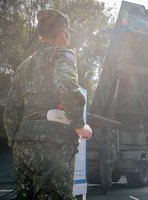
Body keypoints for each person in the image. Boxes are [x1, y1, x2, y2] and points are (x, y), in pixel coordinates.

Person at [3, 9, 93, 199]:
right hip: (54, 144)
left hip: (23, 146)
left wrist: (17, 140)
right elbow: (68, 87)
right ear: (65, 33)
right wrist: (79, 125)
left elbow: (11, 112)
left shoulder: (24, 65)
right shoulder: (63, 55)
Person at [99, 131, 117, 195]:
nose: (107, 137)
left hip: (109, 162)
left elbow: (114, 154)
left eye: (108, 136)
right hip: (102, 162)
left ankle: (106, 189)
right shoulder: (102, 144)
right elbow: (98, 141)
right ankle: (104, 188)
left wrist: (113, 163)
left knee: (108, 177)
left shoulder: (112, 145)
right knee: (102, 176)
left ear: (110, 138)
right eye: (106, 136)